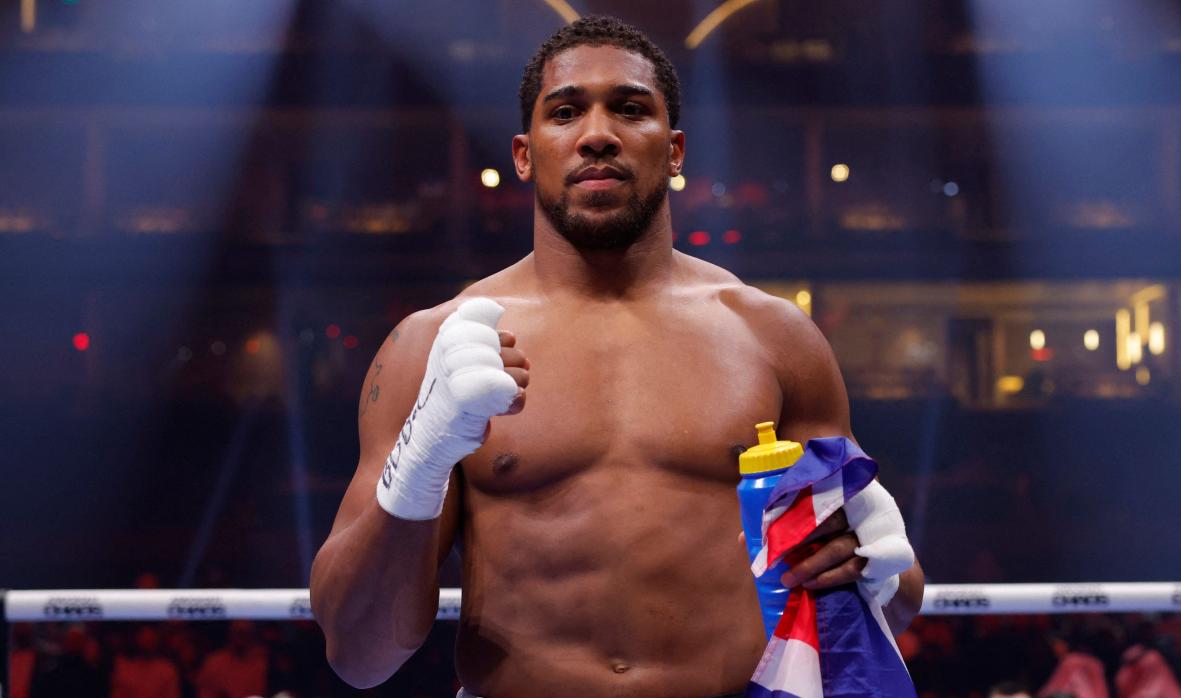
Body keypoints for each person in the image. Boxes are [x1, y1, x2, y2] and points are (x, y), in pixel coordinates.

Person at [310, 15, 924, 696]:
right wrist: (418, 462)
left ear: (674, 149)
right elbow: (357, 654)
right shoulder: (435, 345)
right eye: (565, 111)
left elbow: (891, 604)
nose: (596, 134)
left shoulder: (772, 336)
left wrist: (881, 567)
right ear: (523, 153)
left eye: (629, 109)